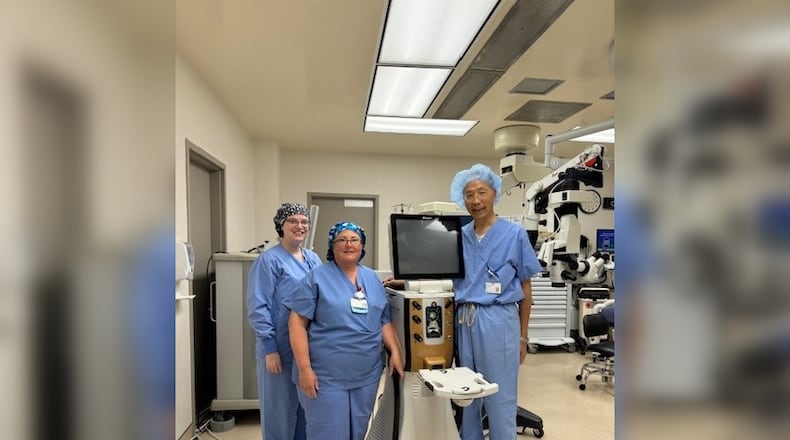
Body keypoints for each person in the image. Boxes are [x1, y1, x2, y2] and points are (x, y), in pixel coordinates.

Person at [285, 221, 404, 440]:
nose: (349, 245)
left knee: (357, 431)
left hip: (366, 375)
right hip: (326, 376)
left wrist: (395, 351)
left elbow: (383, 320)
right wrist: (304, 370)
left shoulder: (372, 279)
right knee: (327, 432)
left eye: (354, 240)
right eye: (342, 239)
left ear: (362, 245)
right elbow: (296, 324)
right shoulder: (316, 278)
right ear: (332, 245)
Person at [449, 163, 543, 440]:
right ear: (462, 199)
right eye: (469, 194)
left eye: (482, 192)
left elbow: (526, 290)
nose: (476, 200)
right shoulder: (458, 237)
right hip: (465, 319)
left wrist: (523, 338)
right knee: (467, 394)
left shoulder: (514, 234)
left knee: (500, 395)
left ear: (494, 194)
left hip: (499, 321)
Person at [246, 203, 322, 440]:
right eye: (293, 221)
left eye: (304, 222)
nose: (300, 226)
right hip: (279, 348)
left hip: (305, 350)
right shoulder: (268, 261)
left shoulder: (313, 258)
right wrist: (270, 348)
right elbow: (258, 306)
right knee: (279, 413)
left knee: (304, 411)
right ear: (281, 225)